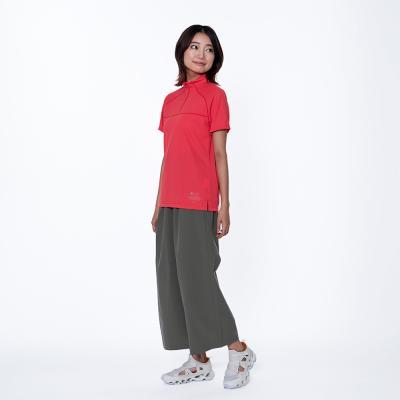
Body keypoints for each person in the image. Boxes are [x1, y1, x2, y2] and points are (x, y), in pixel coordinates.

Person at [151, 25, 256, 389]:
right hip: (170, 202)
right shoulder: (170, 101)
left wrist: (225, 206)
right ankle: (198, 361)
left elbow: (220, 154)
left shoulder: (215, 96)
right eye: (194, 47)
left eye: (209, 49)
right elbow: (168, 157)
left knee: (198, 279)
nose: (201, 54)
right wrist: (157, 204)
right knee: (173, 280)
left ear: (215, 57)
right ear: (182, 52)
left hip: (199, 201)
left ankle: (239, 350)